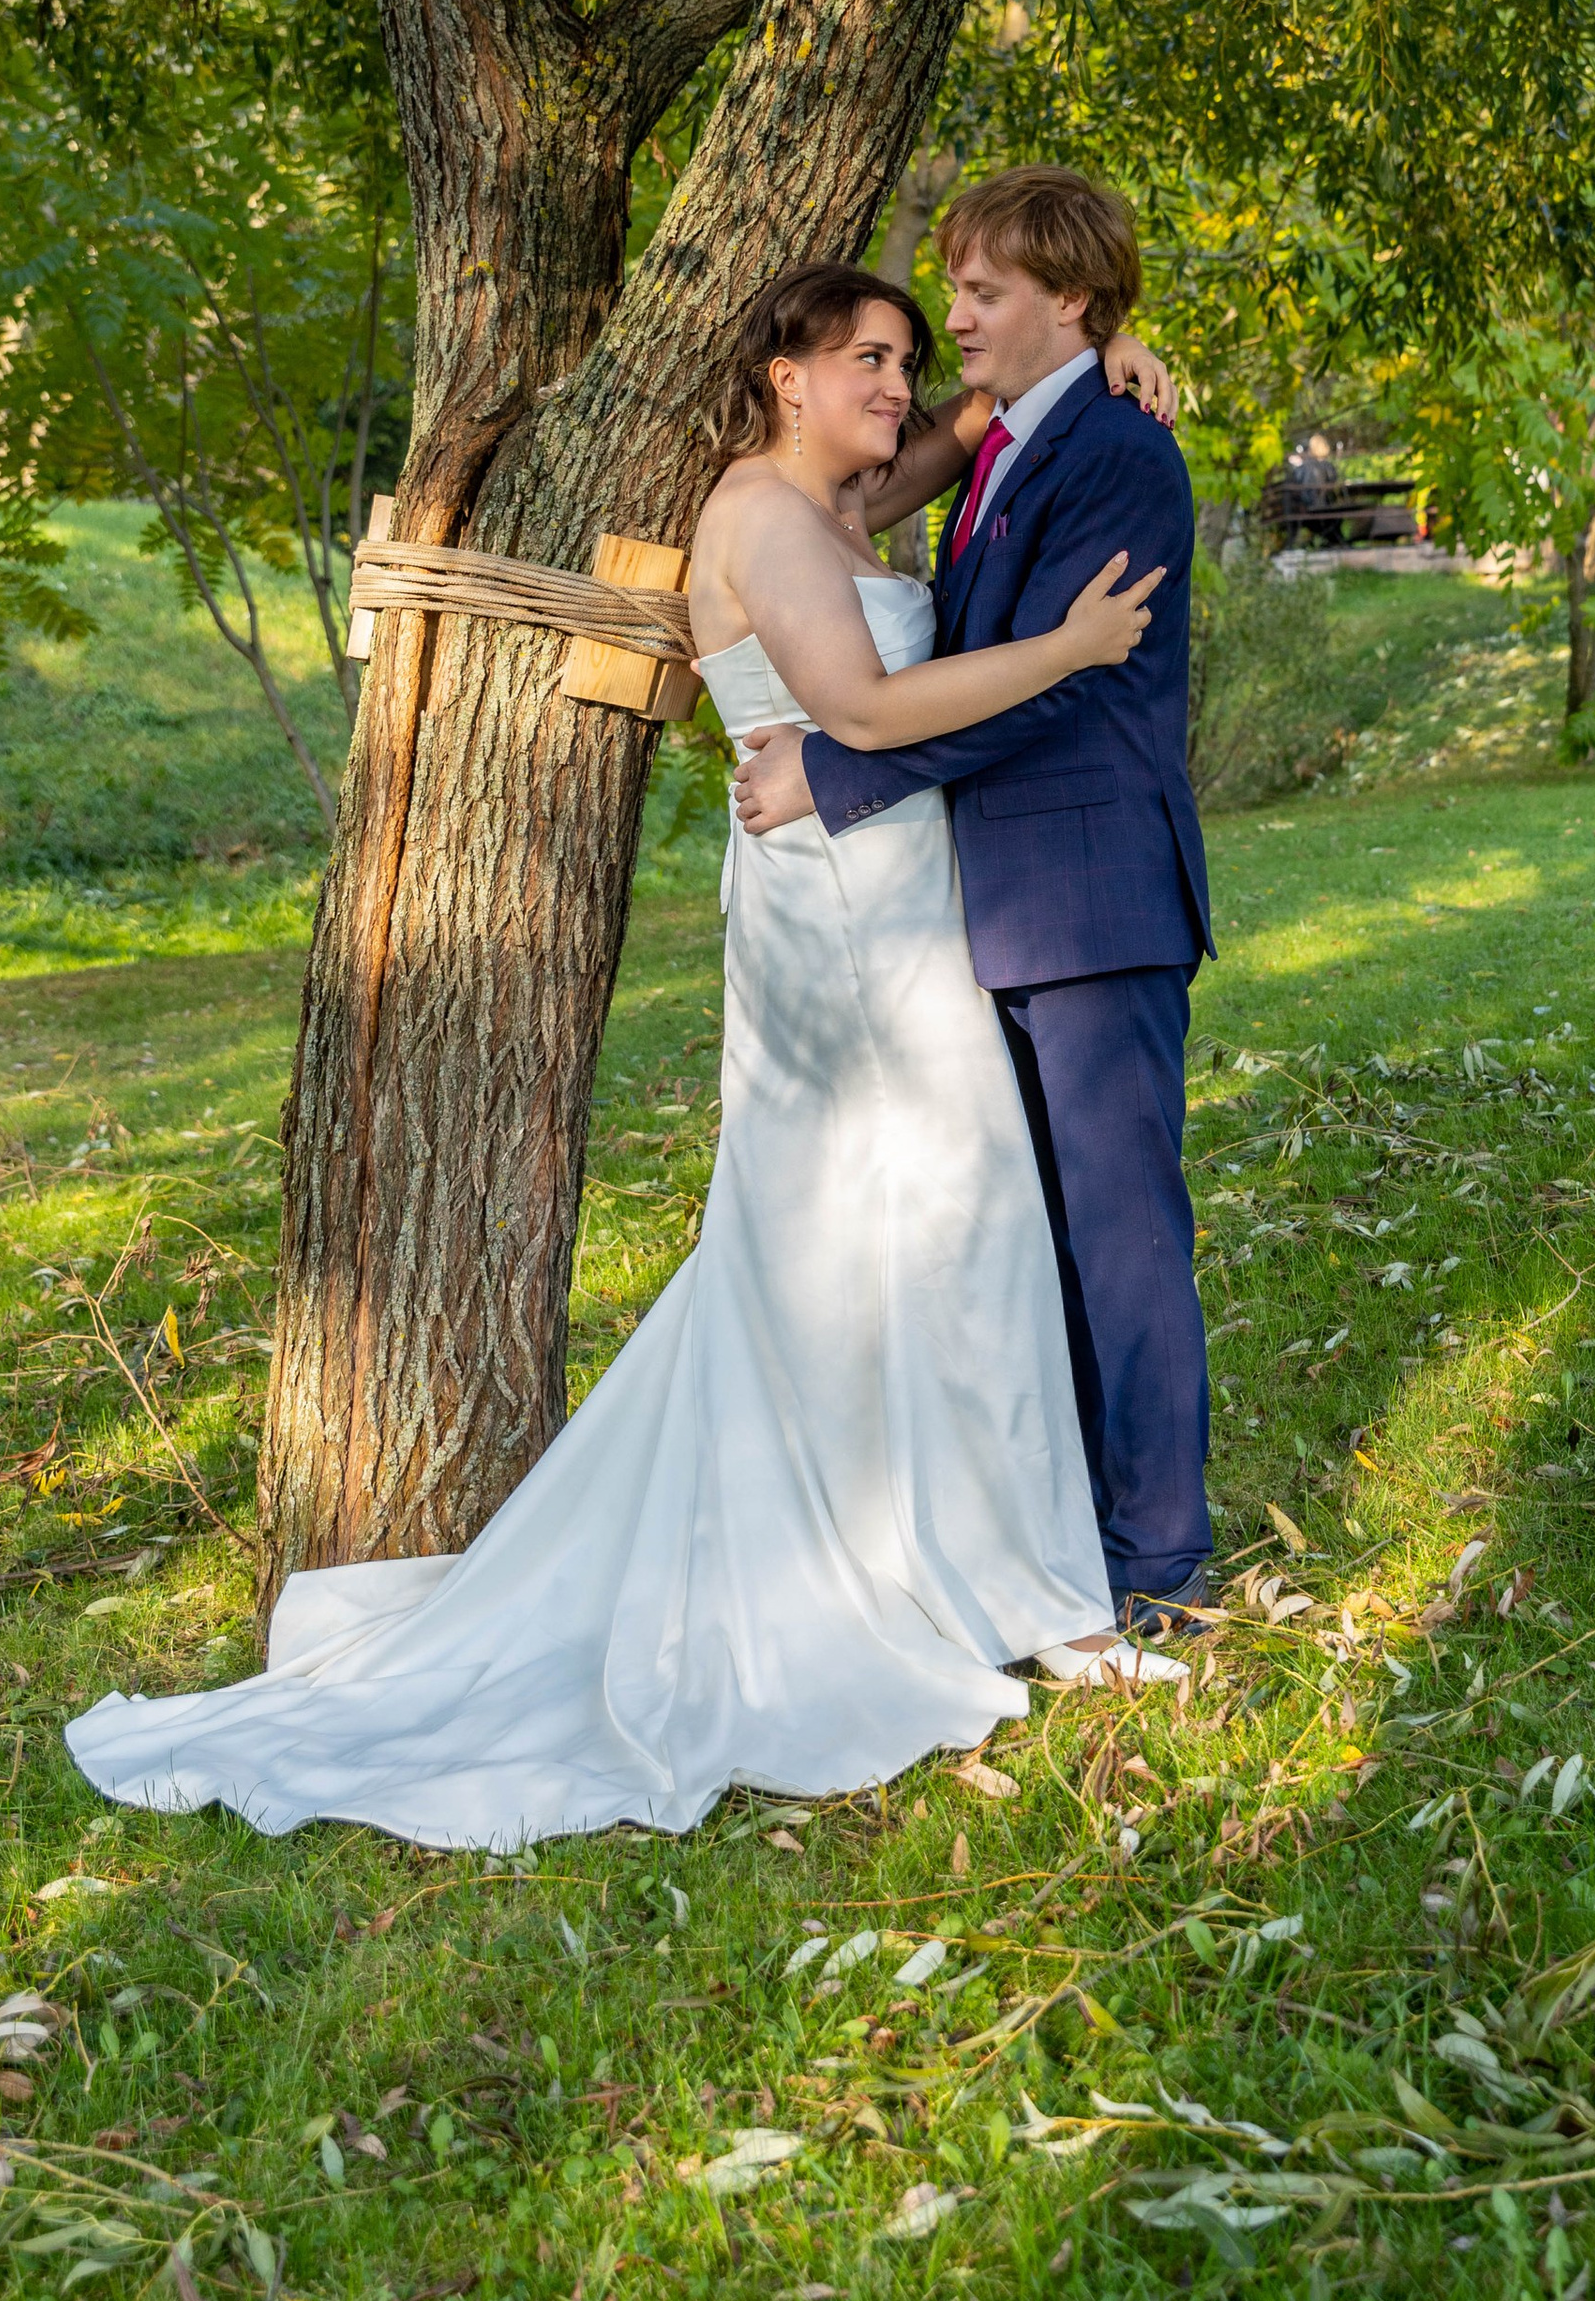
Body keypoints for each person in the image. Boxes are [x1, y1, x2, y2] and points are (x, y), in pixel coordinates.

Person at [66, 265, 1184, 1850]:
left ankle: (988, 1566)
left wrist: (1101, 340)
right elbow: (859, 710)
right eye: (868, 358)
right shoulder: (763, 518)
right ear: (783, 376)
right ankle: (950, 1584)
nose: (900, 383)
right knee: (911, 1220)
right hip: (843, 924)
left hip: (895, 897)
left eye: (907, 358)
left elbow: (978, 416)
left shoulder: (844, 499)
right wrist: (1072, 651)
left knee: (944, 1225)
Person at [733, 167, 1214, 1637]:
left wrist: (841, 771)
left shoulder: (1120, 459)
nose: (954, 321)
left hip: (1088, 899)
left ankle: (1159, 1563)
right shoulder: (1006, 443)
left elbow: (1066, 688)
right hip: (976, 906)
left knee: (1119, 1233)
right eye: (949, 294)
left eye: (984, 293)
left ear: (1070, 299)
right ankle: (1052, 1524)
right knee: (1025, 1230)